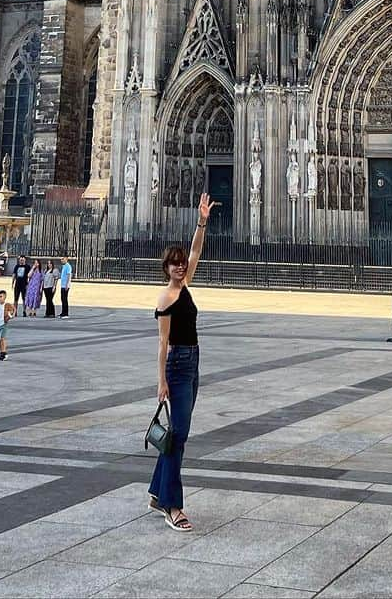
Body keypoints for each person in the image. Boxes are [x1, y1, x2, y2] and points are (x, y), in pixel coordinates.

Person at [149, 193, 217, 532]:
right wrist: (160, 381)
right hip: (177, 365)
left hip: (193, 363)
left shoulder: (186, 284)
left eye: (182, 263)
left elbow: (196, 251)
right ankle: (172, 505)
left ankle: (155, 491)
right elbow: (162, 343)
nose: (180, 265)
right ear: (166, 268)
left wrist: (201, 220)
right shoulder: (166, 297)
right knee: (179, 435)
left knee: (179, 434)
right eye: (174, 263)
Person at [0, 288, 14, 360]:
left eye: (1, 296)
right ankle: (1, 351)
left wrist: (10, 316)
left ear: (5, 297)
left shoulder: (6, 305)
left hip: (3, 324)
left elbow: (12, 310)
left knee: (2, 338)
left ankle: (4, 352)